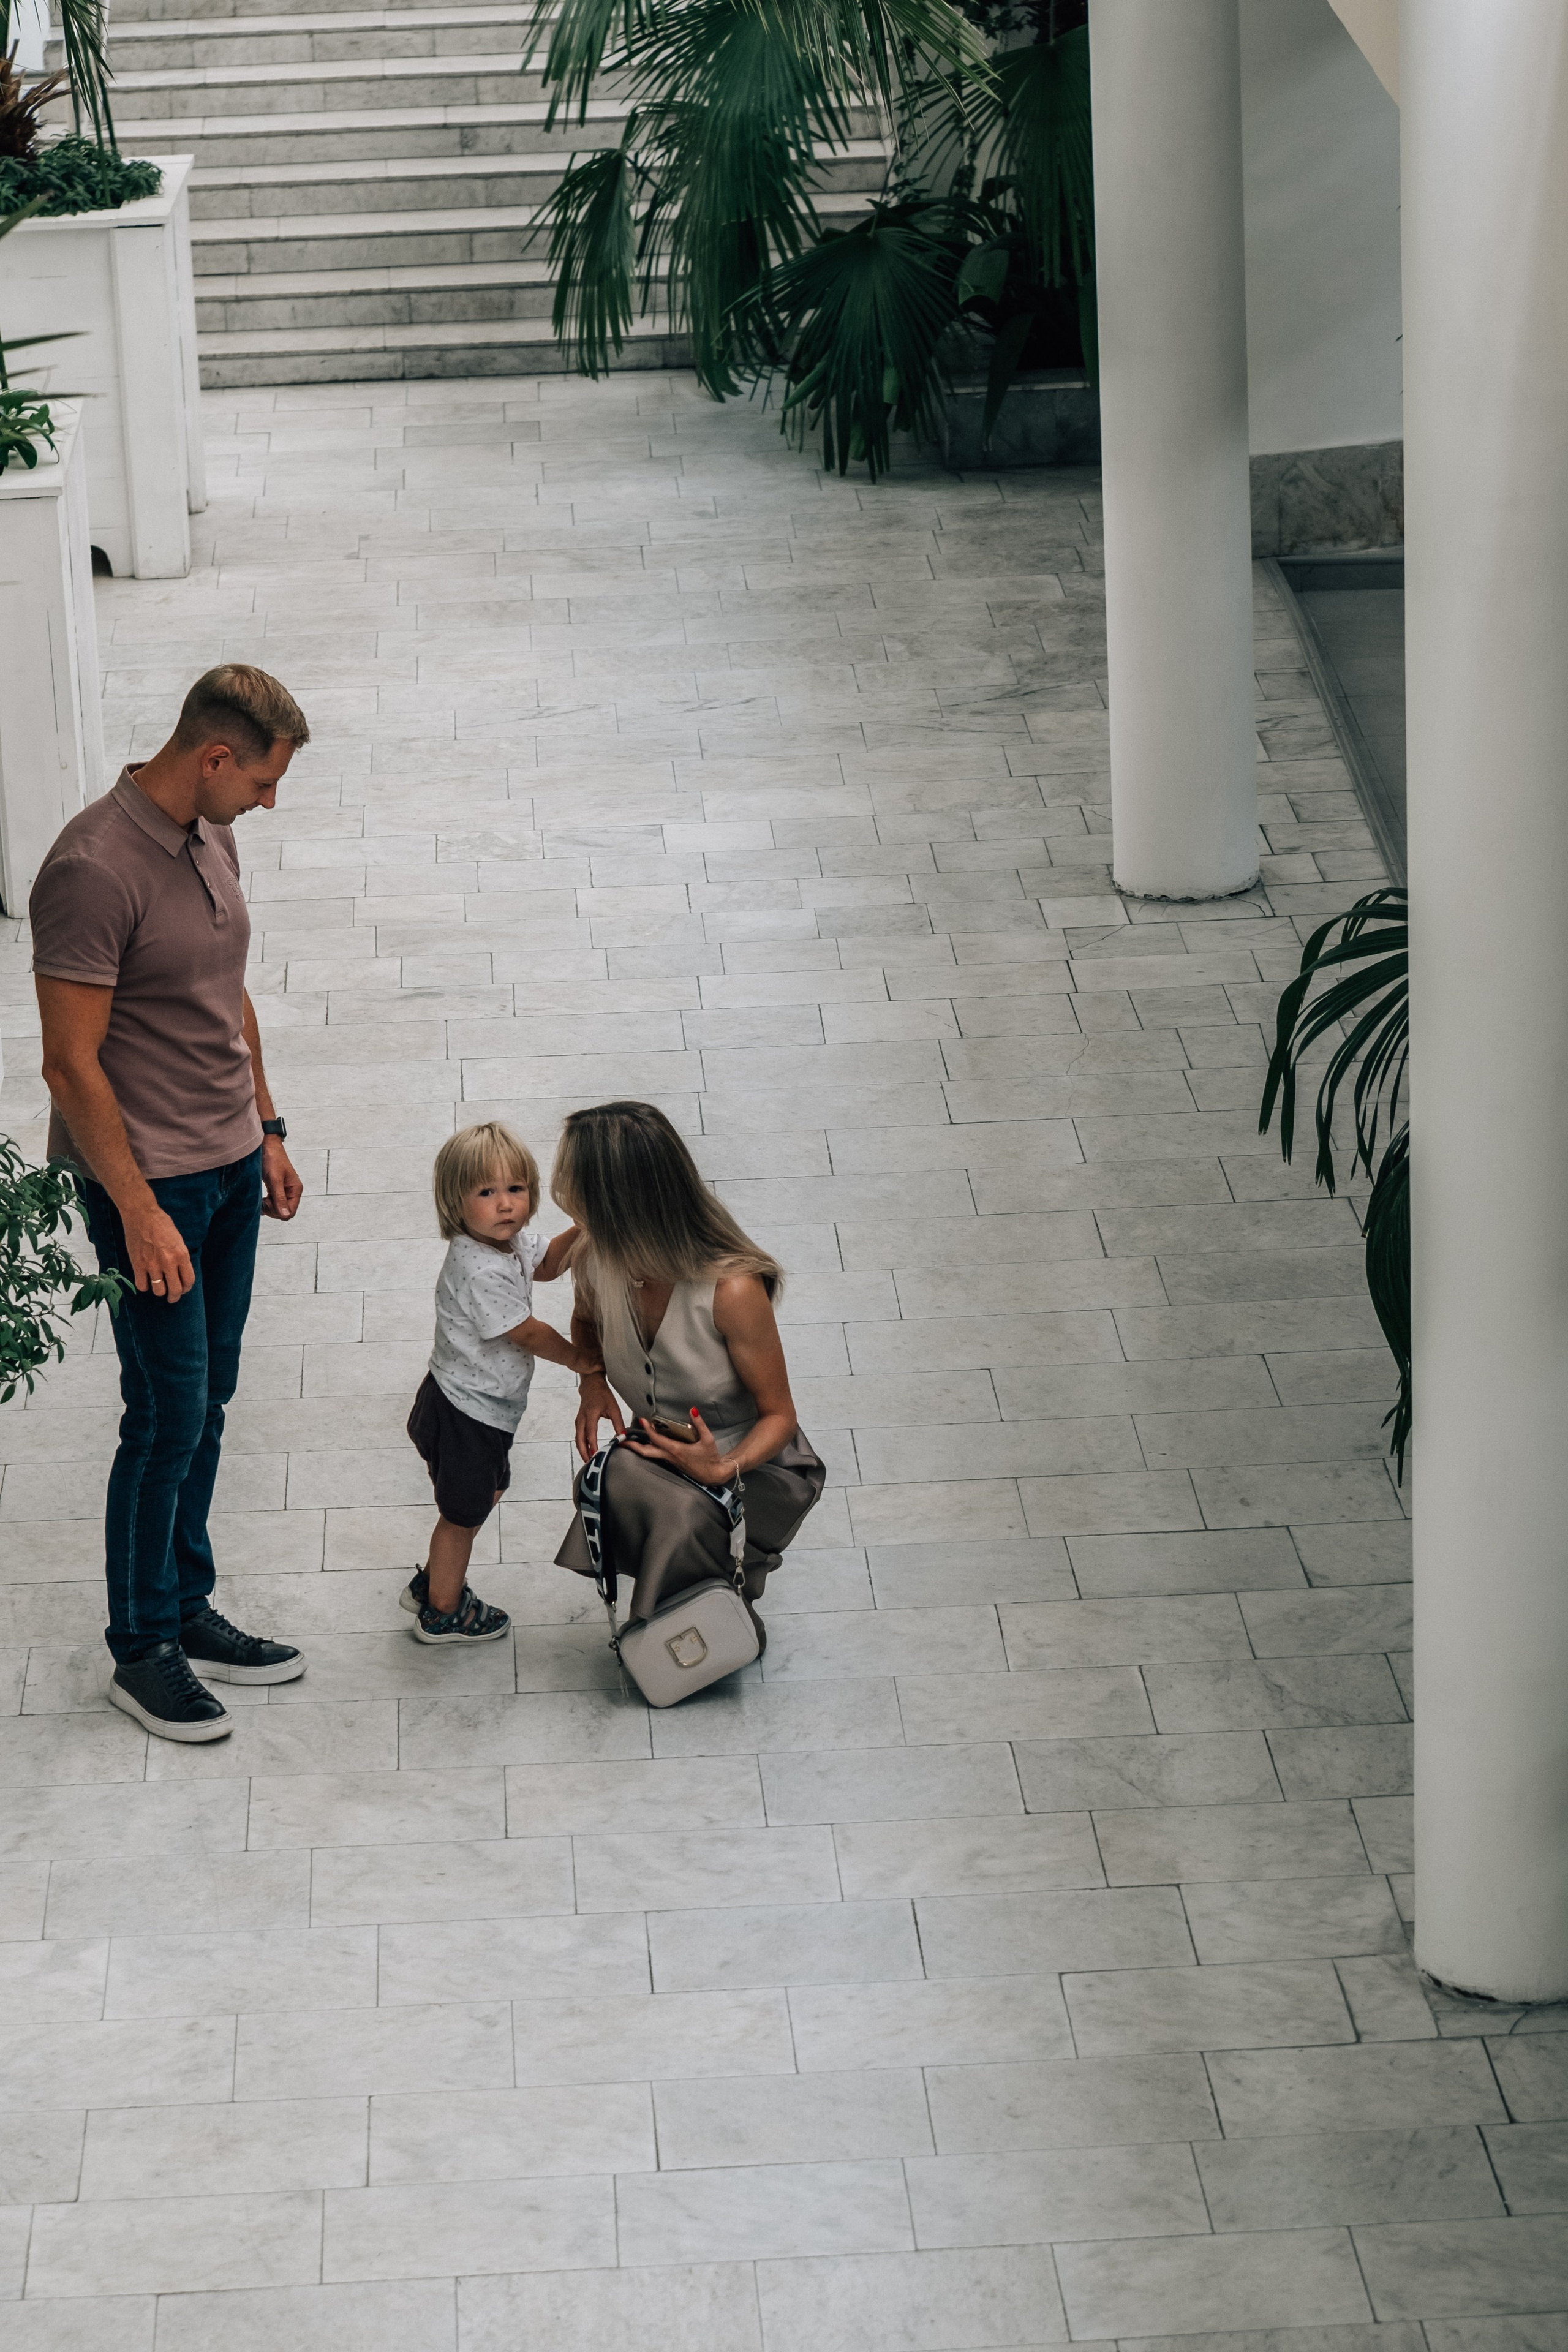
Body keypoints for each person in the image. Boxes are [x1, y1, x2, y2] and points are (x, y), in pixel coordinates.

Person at [31, 666, 311, 1744]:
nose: (267, 805)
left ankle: (187, 1605)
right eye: (264, 782)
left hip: (231, 1165)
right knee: (166, 1415)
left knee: (213, 1398)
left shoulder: (209, 835)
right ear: (214, 757)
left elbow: (224, 990)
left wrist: (269, 1128)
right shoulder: (91, 869)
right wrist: (137, 1211)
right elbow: (70, 1066)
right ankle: (141, 1647)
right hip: (152, 1186)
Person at [553, 1100, 824, 1642]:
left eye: (576, 1185)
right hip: (664, 1447)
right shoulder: (595, 1254)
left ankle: (681, 1626)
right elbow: (584, 1318)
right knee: (609, 1475)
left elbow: (779, 1416)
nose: (564, 1195)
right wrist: (591, 1381)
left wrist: (724, 1468)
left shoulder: (733, 1290)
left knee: (676, 1511)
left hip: (753, 1463)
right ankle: (692, 1615)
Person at [402, 1121, 593, 1643]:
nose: (506, 1203)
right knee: (463, 1516)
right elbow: (528, 1333)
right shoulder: (479, 1267)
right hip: (467, 1412)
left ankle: (435, 1583)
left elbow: (549, 1264)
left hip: (473, 1405)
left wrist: (586, 1223)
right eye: (486, 1192)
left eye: (516, 1188)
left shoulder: (504, 1245)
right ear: (454, 1201)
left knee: (485, 1491)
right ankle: (441, 1609)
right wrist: (581, 1360)